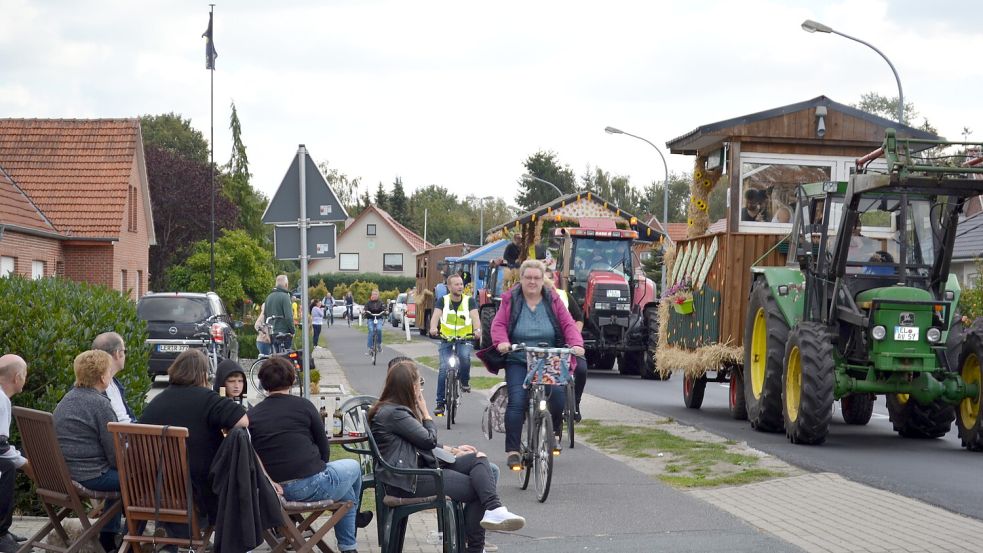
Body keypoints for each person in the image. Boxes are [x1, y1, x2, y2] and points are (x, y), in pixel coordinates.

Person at [369, 360, 524, 553]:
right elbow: (428, 441)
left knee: (479, 458)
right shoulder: (395, 413)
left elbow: (420, 442)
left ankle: (493, 510)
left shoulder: (393, 410)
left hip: (416, 472)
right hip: (409, 481)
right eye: (420, 383)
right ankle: (474, 545)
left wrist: (453, 450)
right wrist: (425, 411)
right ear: (411, 387)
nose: (421, 389)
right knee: (480, 487)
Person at [249, 356, 369, 553]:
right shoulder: (303, 406)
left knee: (346, 493)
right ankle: (353, 525)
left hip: (272, 491)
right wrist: (318, 468)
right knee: (353, 467)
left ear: (263, 383)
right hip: (308, 485)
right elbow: (324, 447)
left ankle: (350, 545)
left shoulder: (253, 414)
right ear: (291, 379)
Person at [140, 349, 248, 538]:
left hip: (153, 490)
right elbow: (242, 421)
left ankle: (171, 540)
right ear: (203, 374)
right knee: (238, 484)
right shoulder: (207, 399)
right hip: (197, 492)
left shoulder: (156, 402)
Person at [491, 259, 585, 469]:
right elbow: (499, 324)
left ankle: (553, 434)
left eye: (536, 278)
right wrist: (503, 342)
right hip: (519, 359)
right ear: (521, 279)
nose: (532, 281)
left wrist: (576, 345)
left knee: (558, 397)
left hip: (548, 359)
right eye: (528, 277)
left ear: (543, 280)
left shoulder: (553, 300)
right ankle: (514, 451)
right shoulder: (511, 300)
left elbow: (568, 324)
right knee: (517, 401)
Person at [53, 350, 123, 552]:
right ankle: (119, 539)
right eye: (110, 372)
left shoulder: (67, 399)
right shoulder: (100, 404)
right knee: (139, 480)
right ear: (103, 377)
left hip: (65, 473)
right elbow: (114, 453)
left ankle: (110, 538)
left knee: (124, 479)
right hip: (90, 476)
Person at [429, 274, 481, 416]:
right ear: (449, 287)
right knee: (443, 369)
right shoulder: (442, 301)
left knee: (464, 356)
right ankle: (440, 403)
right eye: (456, 284)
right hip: (447, 339)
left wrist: (477, 330)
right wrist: (433, 327)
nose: (460, 287)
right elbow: (435, 317)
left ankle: (464, 381)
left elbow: (475, 317)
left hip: (464, 338)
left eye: (461, 284)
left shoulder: (469, 301)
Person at [544, 268, 589, 422]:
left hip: (567, 345)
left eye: (550, 277)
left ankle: (575, 403)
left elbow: (578, 318)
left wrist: (574, 338)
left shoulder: (564, 296)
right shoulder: (532, 298)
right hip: (545, 347)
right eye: (544, 277)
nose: (547, 281)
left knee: (581, 369)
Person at [0, 355, 30, 553]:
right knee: (8, 467)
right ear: (17, 377)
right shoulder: (2, 400)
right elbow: (0, 447)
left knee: (9, 465)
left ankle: (4, 530)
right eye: (25, 374)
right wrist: (26, 464)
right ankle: (0, 534)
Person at [90, 332, 136, 424]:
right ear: (117, 353)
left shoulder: (115, 384)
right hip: (118, 436)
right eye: (124, 351)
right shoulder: (94, 386)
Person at [264, 275, 295, 344]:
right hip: (283, 333)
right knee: (286, 353)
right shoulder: (285, 297)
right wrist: (293, 331)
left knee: (275, 353)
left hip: (272, 334)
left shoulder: (268, 297)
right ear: (286, 284)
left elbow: (265, 316)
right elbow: (289, 317)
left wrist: (266, 333)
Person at [364, 290, 387, 355]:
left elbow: (384, 308)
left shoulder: (381, 303)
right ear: (371, 295)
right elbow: (365, 308)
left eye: (376, 294)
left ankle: (378, 344)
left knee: (379, 329)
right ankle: (370, 348)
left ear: (378, 295)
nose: (374, 295)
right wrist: (365, 311)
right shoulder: (368, 303)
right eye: (373, 294)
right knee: (371, 330)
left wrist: (385, 311)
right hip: (370, 318)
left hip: (379, 318)